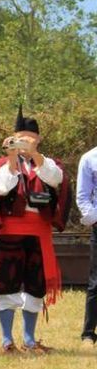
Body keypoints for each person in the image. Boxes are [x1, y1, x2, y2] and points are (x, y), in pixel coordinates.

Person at [0, 108, 69, 354]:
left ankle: (30, 339)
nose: (24, 143)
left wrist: (35, 155)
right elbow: (1, 189)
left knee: (36, 286)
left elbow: (56, 179)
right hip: (11, 232)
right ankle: (6, 340)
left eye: (29, 138)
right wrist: (12, 158)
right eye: (19, 138)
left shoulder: (48, 164)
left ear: (38, 139)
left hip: (38, 233)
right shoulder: (1, 164)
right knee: (6, 284)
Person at [78, 144, 97, 347]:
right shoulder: (90, 158)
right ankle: (88, 334)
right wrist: (95, 219)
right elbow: (83, 196)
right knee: (96, 282)